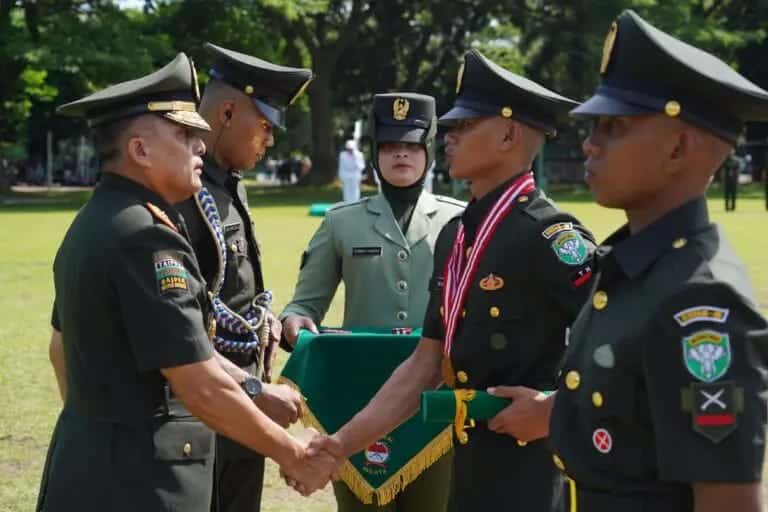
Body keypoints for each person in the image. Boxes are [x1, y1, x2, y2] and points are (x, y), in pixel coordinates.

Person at [484, 10, 768, 512]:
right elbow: (631, 405)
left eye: (614, 127)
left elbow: (730, 502)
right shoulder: (633, 267)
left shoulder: (700, 302)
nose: (590, 143)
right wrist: (554, 411)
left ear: (678, 148)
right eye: (594, 125)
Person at [294, 49, 598, 511]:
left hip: (532, 477)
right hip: (467, 469)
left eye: (464, 125)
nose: (449, 136)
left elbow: (626, 347)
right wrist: (338, 446)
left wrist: (554, 410)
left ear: (509, 135)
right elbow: (425, 365)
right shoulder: (458, 235)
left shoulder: (550, 235)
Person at [39, 53, 335, 512]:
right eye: (182, 135)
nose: (199, 145)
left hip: (96, 469)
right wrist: (293, 454)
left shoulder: (101, 219)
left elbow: (64, 350)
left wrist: (100, 433)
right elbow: (199, 383)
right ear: (140, 151)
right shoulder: (146, 236)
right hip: (140, 485)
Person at [280, 92, 465, 512]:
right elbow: (305, 304)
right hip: (356, 398)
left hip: (435, 398)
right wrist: (296, 320)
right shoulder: (340, 222)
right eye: (390, 145)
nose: (401, 154)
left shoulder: (460, 220)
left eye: (411, 145)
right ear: (374, 153)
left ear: (428, 150)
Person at [174, 43, 313, 512]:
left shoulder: (229, 183)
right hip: (202, 411)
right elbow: (180, 326)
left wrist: (261, 320)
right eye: (266, 126)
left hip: (242, 406)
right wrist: (252, 390)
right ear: (228, 113)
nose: (270, 141)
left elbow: (226, 289)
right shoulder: (181, 191)